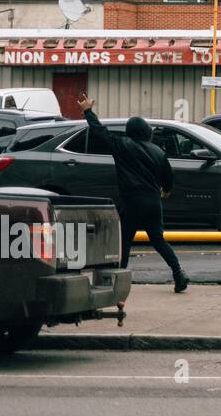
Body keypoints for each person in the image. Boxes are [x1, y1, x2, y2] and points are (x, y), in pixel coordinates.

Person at [76, 96, 188, 293]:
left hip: (131, 201)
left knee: (125, 241)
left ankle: (120, 282)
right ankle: (178, 273)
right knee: (158, 240)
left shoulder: (121, 145)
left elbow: (99, 132)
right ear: (146, 132)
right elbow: (169, 177)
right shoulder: (158, 151)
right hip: (153, 202)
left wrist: (88, 112)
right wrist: (166, 191)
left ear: (130, 131)